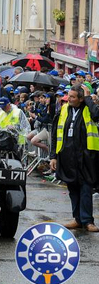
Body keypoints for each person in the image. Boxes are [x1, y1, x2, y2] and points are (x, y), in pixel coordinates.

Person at [50, 84, 99, 232]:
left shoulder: (88, 108)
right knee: (73, 188)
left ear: (81, 98)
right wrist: (53, 156)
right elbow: (54, 134)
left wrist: (89, 98)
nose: (68, 99)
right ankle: (77, 219)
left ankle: (87, 220)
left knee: (86, 187)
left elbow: (97, 115)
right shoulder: (64, 110)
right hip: (67, 155)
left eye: (72, 97)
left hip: (85, 156)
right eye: (68, 96)